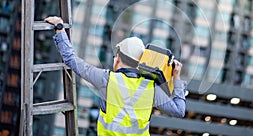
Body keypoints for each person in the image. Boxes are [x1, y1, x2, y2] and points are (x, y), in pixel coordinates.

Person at [44, 16, 186, 136]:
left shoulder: (106, 79)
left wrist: (59, 26)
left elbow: (70, 59)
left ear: (117, 58)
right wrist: (177, 77)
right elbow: (179, 111)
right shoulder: (151, 88)